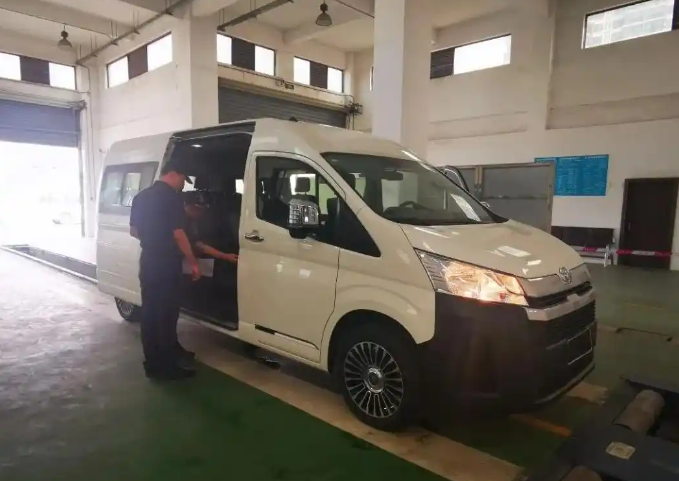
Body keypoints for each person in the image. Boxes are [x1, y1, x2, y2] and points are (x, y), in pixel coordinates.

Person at [129, 161, 200, 381]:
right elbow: (179, 234)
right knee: (166, 315)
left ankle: (153, 363)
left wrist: (153, 240)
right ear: (174, 173)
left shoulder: (141, 196)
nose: (182, 185)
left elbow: (134, 231)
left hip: (148, 261)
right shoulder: (171, 197)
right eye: (183, 179)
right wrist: (193, 262)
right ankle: (167, 367)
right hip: (166, 264)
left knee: (150, 314)